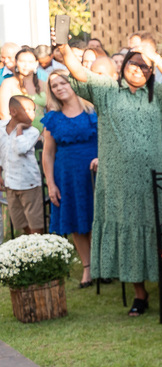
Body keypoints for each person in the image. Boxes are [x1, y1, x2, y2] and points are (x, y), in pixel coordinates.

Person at [58, 41, 162, 316]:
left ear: (152, 72)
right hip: (118, 182)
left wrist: (155, 57)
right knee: (128, 234)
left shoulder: (158, 95)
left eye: (145, 67)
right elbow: (79, 74)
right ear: (124, 64)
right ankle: (139, 295)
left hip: (155, 181)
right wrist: (64, 48)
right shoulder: (108, 90)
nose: (139, 69)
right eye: (134, 63)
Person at [42, 72, 99, 286]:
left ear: (73, 83)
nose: (59, 87)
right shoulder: (53, 118)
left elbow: (107, 140)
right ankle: (88, 268)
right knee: (76, 221)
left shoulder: (93, 109)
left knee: (97, 218)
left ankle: (103, 264)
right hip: (66, 176)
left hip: (94, 171)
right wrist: (51, 183)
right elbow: (47, 154)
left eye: (63, 82)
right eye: (54, 85)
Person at [1, 95, 44, 236]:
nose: (32, 114)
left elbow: (20, 149)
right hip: (10, 183)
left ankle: (39, 248)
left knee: (35, 222)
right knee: (20, 221)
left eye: (33, 110)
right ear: (13, 112)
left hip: (29, 183)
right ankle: (29, 246)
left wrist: (19, 129)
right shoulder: (1, 128)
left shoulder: (31, 131)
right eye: (27, 110)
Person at [0, 47, 44, 122]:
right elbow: (4, 113)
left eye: (30, 62)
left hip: (43, 130)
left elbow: (52, 109)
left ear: (36, 63)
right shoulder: (8, 83)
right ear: (16, 62)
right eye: (22, 61)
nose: (26, 65)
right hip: (17, 131)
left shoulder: (43, 84)